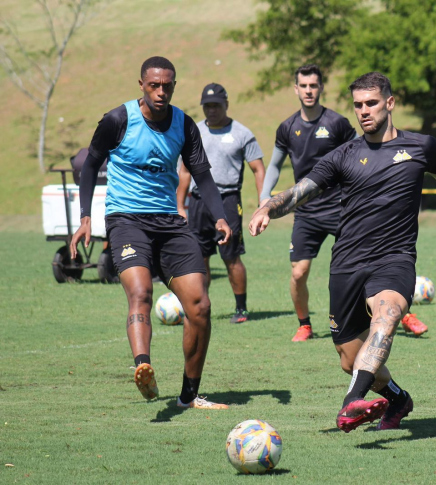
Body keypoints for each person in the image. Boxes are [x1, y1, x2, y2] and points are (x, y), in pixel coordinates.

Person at [249, 72, 436, 432]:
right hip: (346, 263)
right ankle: (398, 398)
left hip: (394, 259)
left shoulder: (422, 147)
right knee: (349, 358)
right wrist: (267, 208)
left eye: (371, 103)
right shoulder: (344, 155)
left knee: (386, 317)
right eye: (357, 105)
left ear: (390, 102)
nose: (363, 111)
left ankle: (350, 402)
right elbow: (301, 190)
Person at [71, 56, 232, 410]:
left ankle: (188, 396)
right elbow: (90, 164)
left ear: (174, 86)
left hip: (170, 223)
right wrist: (85, 217)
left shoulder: (185, 125)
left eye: (167, 86)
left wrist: (220, 217)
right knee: (141, 292)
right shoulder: (118, 120)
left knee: (200, 306)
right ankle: (143, 365)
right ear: (141, 84)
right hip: (126, 220)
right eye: (154, 85)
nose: (161, 92)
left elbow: (202, 174)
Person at [259, 64, 357, 342]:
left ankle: (400, 311)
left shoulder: (337, 123)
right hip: (306, 212)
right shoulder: (287, 128)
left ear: (321, 88)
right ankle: (305, 325)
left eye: (314, 85)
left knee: (367, 260)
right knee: (299, 272)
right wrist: (265, 197)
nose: (309, 90)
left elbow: (359, 155)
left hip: (340, 207)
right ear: (296, 89)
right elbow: (275, 165)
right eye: (304, 86)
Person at [177, 83, 266, 324]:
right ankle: (200, 305)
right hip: (197, 202)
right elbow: (184, 171)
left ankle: (241, 309)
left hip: (227, 202)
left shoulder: (242, 133)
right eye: (207, 106)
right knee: (199, 257)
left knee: (231, 256)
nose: (211, 110)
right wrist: (180, 206)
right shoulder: (194, 132)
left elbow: (258, 169)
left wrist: (263, 203)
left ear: (226, 104)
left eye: (216, 105)